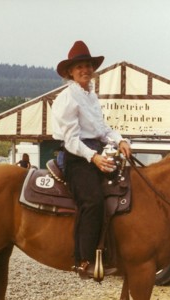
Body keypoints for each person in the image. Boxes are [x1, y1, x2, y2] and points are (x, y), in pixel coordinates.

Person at [51, 41, 132, 279]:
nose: (85, 70)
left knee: (123, 190)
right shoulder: (68, 98)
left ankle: (113, 249)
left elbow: (102, 129)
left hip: (96, 151)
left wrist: (121, 140)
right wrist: (94, 158)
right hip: (77, 156)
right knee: (93, 201)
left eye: (88, 66)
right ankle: (83, 259)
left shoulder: (90, 95)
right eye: (80, 67)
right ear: (70, 72)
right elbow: (71, 141)